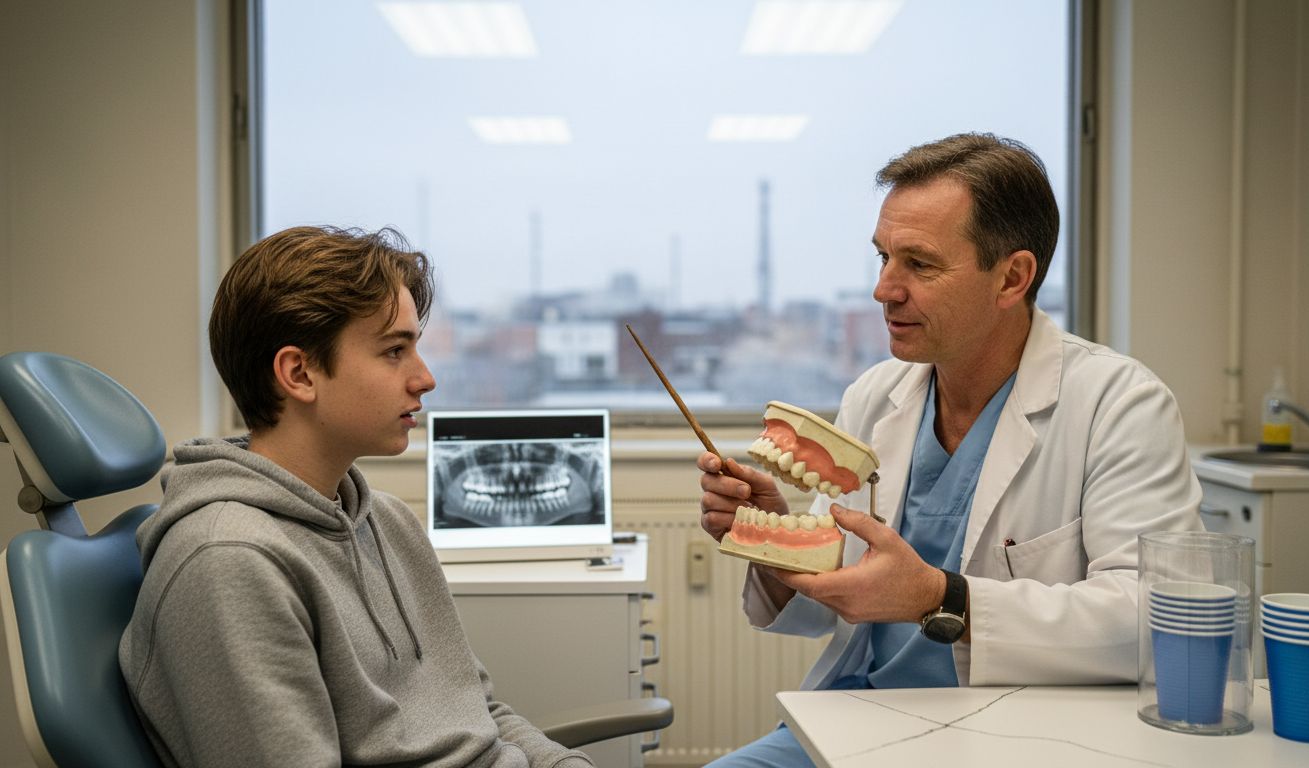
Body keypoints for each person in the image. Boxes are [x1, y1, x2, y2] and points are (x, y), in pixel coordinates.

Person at [696, 133, 1203, 766]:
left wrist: (941, 597)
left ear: (1012, 277)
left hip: (1014, 735)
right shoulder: (876, 397)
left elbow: (1161, 622)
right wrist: (772, 538)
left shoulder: (1118, 403)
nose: (884, 289)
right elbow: (836, 599)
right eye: (882, 257)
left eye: (920, 264)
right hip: (857, 715)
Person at [119, 226, 594, 767]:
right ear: (298, 373)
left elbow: (480, 714)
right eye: (395, 351)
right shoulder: (227, 561)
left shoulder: (386, 522)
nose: (426, 378)